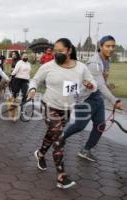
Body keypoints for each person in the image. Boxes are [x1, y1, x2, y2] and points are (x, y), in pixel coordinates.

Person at [27, 38, 97, 189]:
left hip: (66, 109)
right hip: (49, 106)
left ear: (69, 50)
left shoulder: (81, 67)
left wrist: (90, 85)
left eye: (60, 51)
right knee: (59, 137)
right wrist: (32, 89)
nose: (56, 54)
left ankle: (40, 154)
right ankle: (61, 176)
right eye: (55, 51)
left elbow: (93, 84)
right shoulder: (48, 66)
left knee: (52, 134)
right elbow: (35, 80)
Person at [63, 35, 123, 161]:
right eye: (108, 46)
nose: (111, 49)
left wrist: (108, 86)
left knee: (100, 125)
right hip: (86, 98)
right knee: (79, 126)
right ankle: (58, 139)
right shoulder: (94, 63)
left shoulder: (106, 60)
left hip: (97, 98)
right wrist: (114, 100)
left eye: (113, 46)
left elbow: (101, 82)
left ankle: (85, 150)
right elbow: (99, 85)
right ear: (100, 46)